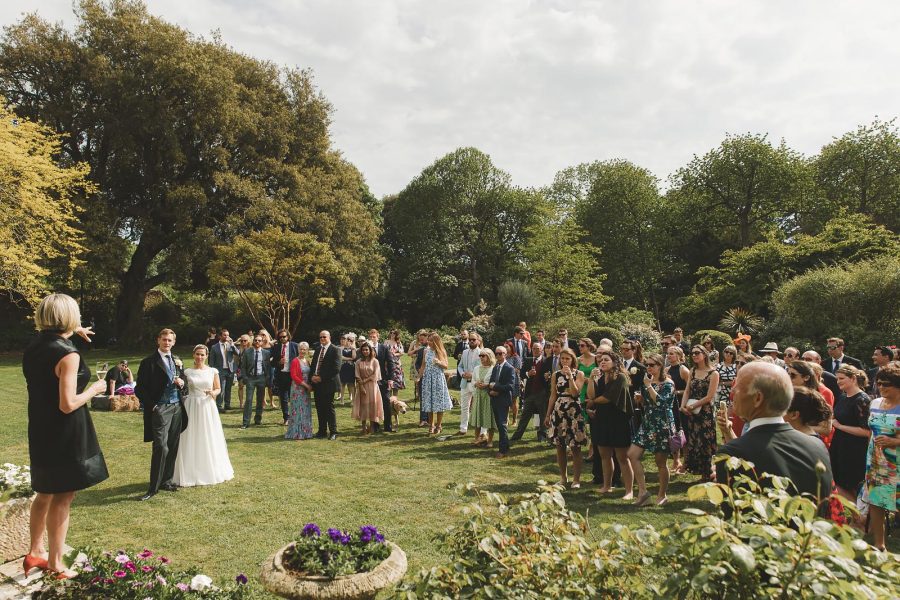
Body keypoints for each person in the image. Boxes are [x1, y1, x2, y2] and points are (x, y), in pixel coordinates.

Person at [22, 294, 109, 578]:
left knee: (45, 491)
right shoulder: (68, 355)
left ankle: (35, 552)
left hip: (40, 427)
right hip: (65, 432)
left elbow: (53, 343)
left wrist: (74, 331)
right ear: (68, 317)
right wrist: (94, 390)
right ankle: (56, 563)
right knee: (63, 494)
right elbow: (68, 403)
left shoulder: (35, 346)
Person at [715, 362, 833, 498]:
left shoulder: (732, 454)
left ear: (758, 398)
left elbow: (733, 513)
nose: (732, 392)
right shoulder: (816, 445)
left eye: (738, 388)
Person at [135, 328, 189, 501]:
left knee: (173, 445)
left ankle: (166, 481)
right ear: (158, 340)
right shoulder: (148, 362)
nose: (167, 343)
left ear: (174, 342)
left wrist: (182, 384)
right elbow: (139, 389)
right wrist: (152, 406)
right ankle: (153, 487)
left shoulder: (177, 360)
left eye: (170, 340)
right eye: (164, 339)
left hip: (177, 407)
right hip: (160, 408)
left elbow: (185, 385)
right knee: (160, 446)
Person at [173, 345, 234, 487]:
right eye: (197, 354)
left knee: (208, 435)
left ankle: (208, 469)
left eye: (202, 355)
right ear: (193, 355)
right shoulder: (187, 372)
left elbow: (218, 388)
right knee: (190, 435)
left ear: (206, 356)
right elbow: (181, 387)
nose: (200, 357)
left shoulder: (213, 371)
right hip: (192, 405)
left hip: (207, 406)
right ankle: (189, 470)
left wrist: (214, 393)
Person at [628, 353, 675, 506]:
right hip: (647, 423)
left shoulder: (668, 384)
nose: (648, 368)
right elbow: (648, 402)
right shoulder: (647, 381)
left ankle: (662, 494)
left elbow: (662, 403)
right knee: (632, 454)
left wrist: (648, 386)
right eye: (647, 365)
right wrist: (641, 399)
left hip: (662, 424)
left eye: (651, 365)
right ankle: (643, 492)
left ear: (660, 366)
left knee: (660, 462)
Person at [587, 350, 635, 497]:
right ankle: (607, 486)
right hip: (603, 420)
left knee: (622, 457)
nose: (602, 362)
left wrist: (592, 402)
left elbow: (607, 398)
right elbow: (591, 395)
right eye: (600, 360)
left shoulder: (621, 377)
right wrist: (591, 379)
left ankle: (629, 491)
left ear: (614, 362)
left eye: (606, 360)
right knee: (604, 455)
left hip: (619, 421)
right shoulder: (601, 378)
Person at [864, 362, 900, 551]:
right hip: (877, 461)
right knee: (875, 501)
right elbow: (871, 431)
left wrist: (895, 442)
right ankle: (879, 544)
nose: (881, 387)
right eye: (879, 383)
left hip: (898, 462)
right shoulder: (875, 403)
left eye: (886, 384)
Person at [544, 348, 587, 488]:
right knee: (560, 445)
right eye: (562, 359)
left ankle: (576, 479)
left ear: (573, 360)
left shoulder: (579, 374)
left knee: (575, 446)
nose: (564, 361)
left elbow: (575, 393)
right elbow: (553, 395)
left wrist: (569, 377)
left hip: (574, 411)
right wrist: (548, 414)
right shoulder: (555, 375)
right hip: (559, 410)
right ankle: (563, 477)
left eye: (567, 359)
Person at [829, 364, 871, 501]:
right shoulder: (843, 397)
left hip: (854, 449)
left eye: (841, 378)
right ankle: (856, 516)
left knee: (853, 484)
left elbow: (867, 432)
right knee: (837, 481)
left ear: (853, 379)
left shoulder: (862, 400)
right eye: (837, 379)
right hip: (839, 445)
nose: (838, 381)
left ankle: (859, 517)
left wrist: (840, 426)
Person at [680, 346, 720, 481]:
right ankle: (697, 469)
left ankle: (707, 473)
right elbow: (687, 390)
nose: (694, 355)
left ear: (705, 354)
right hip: (692, 412)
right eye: (692, 353)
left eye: (697, 353)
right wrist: (683, 406)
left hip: (705, 413)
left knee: (705, 441)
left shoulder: (713, 373)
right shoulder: (692, 371)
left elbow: (710, 396)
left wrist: (692, 406)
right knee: (694, 440)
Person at [787, 360, 834, 444]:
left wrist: (795, 428)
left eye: (793, 375)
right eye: (787, 374)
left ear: (806, 377)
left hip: (809, 442)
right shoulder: (787, 392)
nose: (789, 378)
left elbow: (826, 429)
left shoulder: (820, 395)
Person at [512, 341, 549, 442]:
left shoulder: (546, 361)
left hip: (542, 393)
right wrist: (528, 373)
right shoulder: (528, 361)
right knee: (524, 416)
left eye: (538, 349)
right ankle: (516, 436)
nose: (535, 350)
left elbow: (550, 376)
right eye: (533, 348)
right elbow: (522, 374)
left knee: (543, 415)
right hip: (530, 393)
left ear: (542, 350)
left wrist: (547, 377)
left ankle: (542, 437)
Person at [310, 330, 342, 440]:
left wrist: (321, 377)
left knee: (329, 407)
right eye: (320, 337)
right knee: (319, 407)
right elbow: (314, 365)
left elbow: (336, 368)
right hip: (317, 384)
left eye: (324, 337)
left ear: (329, 337)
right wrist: (312, 377)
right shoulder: (318, 349)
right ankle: (322, 431)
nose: (322, 339)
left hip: (329, 383)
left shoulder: (335, 349)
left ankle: (334, 431)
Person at [419, 332, 453, 435]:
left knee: (439, 403)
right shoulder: (426, 351)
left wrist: (439, 362)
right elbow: (423, 365)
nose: (428, 342)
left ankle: (439, 425)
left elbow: (446, 366)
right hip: (427, 379)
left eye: (431, 341)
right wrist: (419, 377)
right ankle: (431, 425)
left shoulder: (441, 351)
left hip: (438, 379)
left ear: (436, 341)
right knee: (428, 402)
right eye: (428, 340)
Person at [488, 345, 516, 458]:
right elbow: (491, 382)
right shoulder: (495, 367)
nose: (498, 355)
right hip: (494, 399)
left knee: (502, 424)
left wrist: (497, 390)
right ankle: (506, 445)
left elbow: (510, 386)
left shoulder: (509, 368)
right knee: (499, 425)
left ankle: (503, 450)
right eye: (497, 353)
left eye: (501, 353)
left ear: (505, 354)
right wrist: (490, 391)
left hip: (503, 400)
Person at [666, 346, 690, 474]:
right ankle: (676, 460)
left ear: (679, 356)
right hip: (671, 406)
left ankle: (686, 462)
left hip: (681, 404)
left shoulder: (683, 370)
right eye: (668, 354)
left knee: (683, 432)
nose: (669, 356)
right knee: (673, 433)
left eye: (671, 354)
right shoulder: (666, 370)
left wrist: (677, 392)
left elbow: (689, 388)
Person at [238, 334, 271, 429]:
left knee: (260, 400)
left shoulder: (266, 353)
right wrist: (245, 378)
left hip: (261, 378)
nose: (257, 342)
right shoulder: (247, 352)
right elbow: (243, 366)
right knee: (248, 400)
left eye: (259, 340)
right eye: (255, 340)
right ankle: (245, 422)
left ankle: (258, 419)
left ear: (262, 342)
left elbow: (268, 367)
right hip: (250, 378)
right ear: (253, 342)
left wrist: (266, 378)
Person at [352, 341, 384, 434]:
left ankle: (372, 427)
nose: (365, 351)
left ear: (370, 350)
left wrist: (365, 381)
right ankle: (363, 427)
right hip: (361, 386)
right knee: (363, 405)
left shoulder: (375, 361)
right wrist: (361, 386)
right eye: (363, 350)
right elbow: (357, 375)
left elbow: (376, 375)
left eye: (367, 350)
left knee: (373, 405)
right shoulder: (358, 361)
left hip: (373, 386)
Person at [368, 329, 396, 433]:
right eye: (370, 337)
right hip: (370, 379)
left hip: (383, 379)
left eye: (374, 337)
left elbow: (390, 363)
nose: (372, 338)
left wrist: (391, 379)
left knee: (386, 401)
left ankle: (388, 426)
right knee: (373, 403)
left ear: (378, 337)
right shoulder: (366, 349)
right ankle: (375, 426)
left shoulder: (384, 348)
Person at [457, 332, 483, 436]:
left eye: (473, 339)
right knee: (464, 407)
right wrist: (463, 374)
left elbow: (483, 369)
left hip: (475, 383)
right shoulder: (465, 352)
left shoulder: (482, 353)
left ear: (478, 341)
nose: (471, 341)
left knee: (478, 407)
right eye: (470, 339)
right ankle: (463, 428)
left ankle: (482, 431)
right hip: (464, 383)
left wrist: (472, 375)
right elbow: (460, 366)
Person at [285, 342, 313, 440]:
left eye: (304, 349)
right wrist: (306, 385)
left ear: (307, 350)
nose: (302, 351)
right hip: (298, 388)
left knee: (305, 410)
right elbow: (294, 376)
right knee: (298, 410)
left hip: (306, 389)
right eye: (301, 349)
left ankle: (306, 432)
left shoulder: (307, 361)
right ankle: (297, 432)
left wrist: (310, 385)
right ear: (298, 350)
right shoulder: (295, 361)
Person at [271, 329, 299, 425]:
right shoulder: (276, 347)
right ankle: (286, 418)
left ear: (288, 336)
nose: (282, 338)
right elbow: (272, 362)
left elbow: (300, 359)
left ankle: (295, 417)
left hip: (293, 375)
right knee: (283, 398)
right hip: (281, 375)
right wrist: (278, 362)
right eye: (280, 337)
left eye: (284, 336)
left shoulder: (295, 346)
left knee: (294, 397)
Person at [471, 349, 497, 447]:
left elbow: (495, 382)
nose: (481, 358)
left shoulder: (493, 369)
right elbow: (473, 380)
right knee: (478, 418)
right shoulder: (476, 368)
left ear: (489, 357)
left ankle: (490, 440)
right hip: (478, 396)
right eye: (480, 356)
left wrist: (487, 385)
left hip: (488, 396)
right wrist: (476, 383)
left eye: (483, 356)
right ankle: (477, 439)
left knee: (489, 418)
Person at [208, 328, 238, 412]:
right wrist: (212, 371)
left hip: (230, 370)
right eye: (225, 335)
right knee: (221, 389)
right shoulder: (214, 347)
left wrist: (232, 344)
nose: (227, 337)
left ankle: (227, 405)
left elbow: (238, 353)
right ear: (220, 336)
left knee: (228, 388)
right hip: (220, 371)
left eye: (228, 335)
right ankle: (219, 406)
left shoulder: (230, 345)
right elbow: (211, 361)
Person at [339, 333, 357, 406]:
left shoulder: (353, 348)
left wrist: (352, 349)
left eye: (349, 340)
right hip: (343, 367)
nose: (347, 341)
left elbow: (354, 357)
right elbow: (340, 357)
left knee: (352, 384)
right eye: (346, 339)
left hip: (350, 368)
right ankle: (342, 399)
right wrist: (349, 359)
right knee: (342, 384)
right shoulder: (341, 348)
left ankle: (353, 400)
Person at [234, 334, 251, 409]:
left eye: (245, 340)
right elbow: (236, 360)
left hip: (249, 370)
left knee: (249, 387)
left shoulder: (252, 349)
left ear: (248, 341)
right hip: (240, 369)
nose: (243, 342)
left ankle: (248, 402)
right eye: (241, 340)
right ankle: (241, 403)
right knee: (240, 386)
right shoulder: (238, 349)